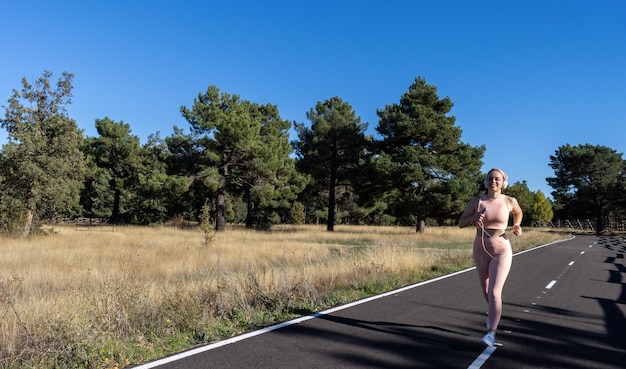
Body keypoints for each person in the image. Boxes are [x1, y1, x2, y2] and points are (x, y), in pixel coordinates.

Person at [458, 168, 523, 347]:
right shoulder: (477, 201)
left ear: (503, 182)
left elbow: (518, 212)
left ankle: (491, 333)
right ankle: (493, 313)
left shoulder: (509, 201)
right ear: (485, 182)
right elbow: (460, 223)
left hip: (501, 248)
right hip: (480, 247)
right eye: (489, 178)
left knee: (495, 292)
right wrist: (474, 217)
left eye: (497, 179)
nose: (493, 181)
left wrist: (516, 225)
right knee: (486, 290)